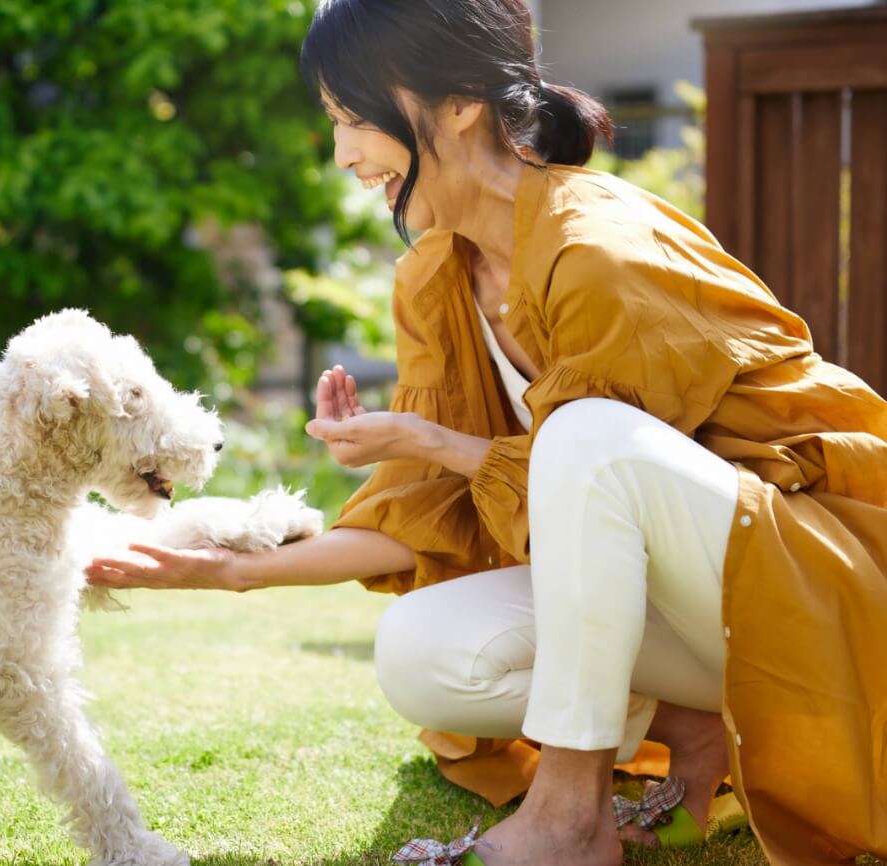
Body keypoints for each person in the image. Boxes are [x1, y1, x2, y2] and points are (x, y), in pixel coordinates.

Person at [85, 1, 887, 863]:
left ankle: (568, 819)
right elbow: (426, 510)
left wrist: (434, 443)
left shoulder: (599, 253)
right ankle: (701, 727)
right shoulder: (436, 275)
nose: (346, 154)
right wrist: (231, 571)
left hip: (821, 587)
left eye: (356, 119)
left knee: (585, 438)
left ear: (462, 100)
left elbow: (603, 475)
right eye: (335, 124)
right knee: (420, 652)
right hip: (702, 609)